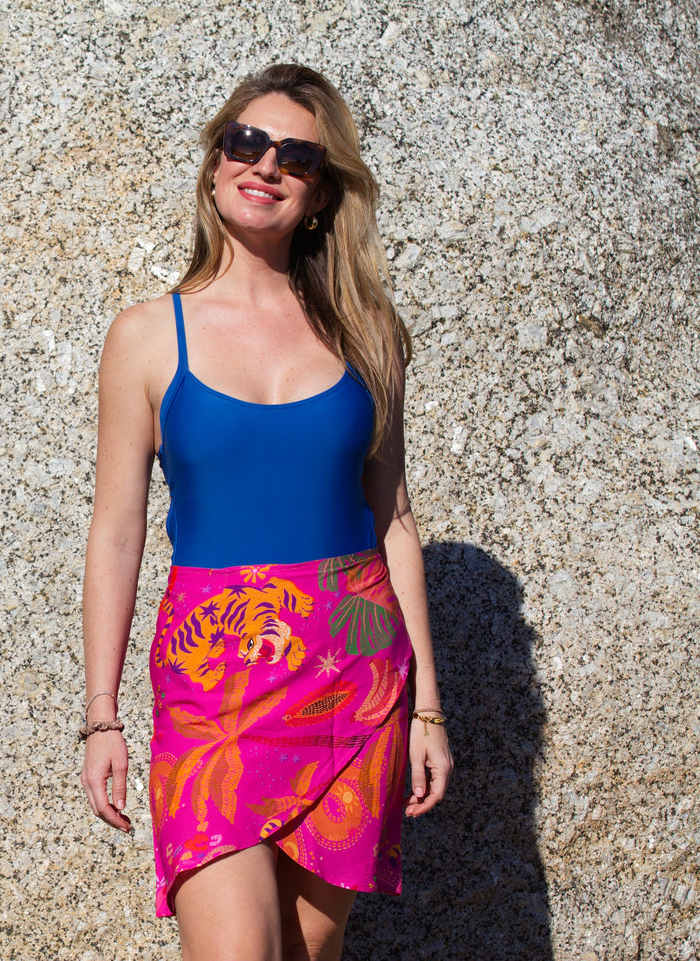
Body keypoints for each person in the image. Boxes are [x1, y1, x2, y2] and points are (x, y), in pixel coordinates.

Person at [78, 64, 453, 961]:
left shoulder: (369, 330)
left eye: (295, 155)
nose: (265, 165)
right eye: (246, 143)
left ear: (322, 191)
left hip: (353, 680)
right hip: (215, 685)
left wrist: (428, 710)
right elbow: (117, 528)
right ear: (213, 166)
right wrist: (101, 713)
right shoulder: (145, 334)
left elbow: (392, 519)